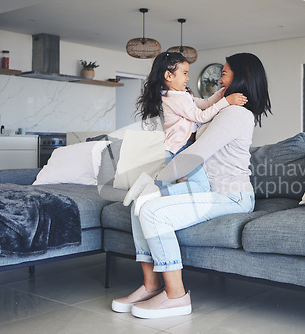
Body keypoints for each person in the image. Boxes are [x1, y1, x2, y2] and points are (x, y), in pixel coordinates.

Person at [111, 53, 271, 319]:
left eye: (226, 73)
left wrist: (160, 178)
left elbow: (198, 151)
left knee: (153, 211)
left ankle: (176, 296)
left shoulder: (236, 113)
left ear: (240, 77)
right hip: (206, 189)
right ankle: (151, 285)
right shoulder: (222, 107)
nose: (220, 77)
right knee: (140, 203)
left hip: (231, 196)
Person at [122, 52, 247, 215]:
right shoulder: (174, 98)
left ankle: (146, 186)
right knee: (201, 186)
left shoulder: (182, 95)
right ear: (168, 75)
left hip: (178, 148)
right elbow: (200, 116)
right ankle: (150, 189)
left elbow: (205, 103)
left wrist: (221, 93)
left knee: (169, 187)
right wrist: (226, 102)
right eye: (185, 73)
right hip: (178, 149)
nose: (187, 78)